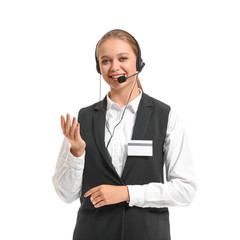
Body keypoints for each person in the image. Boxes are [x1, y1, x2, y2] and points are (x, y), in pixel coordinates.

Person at [52, 29, 197, 240]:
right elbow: (66, 195)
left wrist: (127, 193)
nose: (114, 67)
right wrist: (76, 151)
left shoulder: (166, 117)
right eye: (105, 61)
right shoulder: (82, 119)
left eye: (123, 58)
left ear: (138, 63)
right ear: (98, 67)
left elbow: (186, 190)